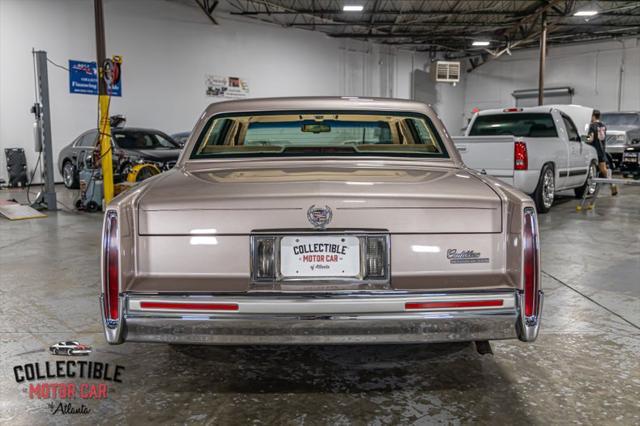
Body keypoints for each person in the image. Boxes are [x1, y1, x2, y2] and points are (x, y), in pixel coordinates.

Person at [587, 109, 618, 196]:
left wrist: (581, 138)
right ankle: (612, 184)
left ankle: (591, 189)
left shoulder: (592, 126)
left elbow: (591, 138)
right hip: (602, 149)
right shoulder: (603, 125)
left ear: (593, 116)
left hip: (594, 150)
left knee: (595, 170)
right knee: (603, 169)